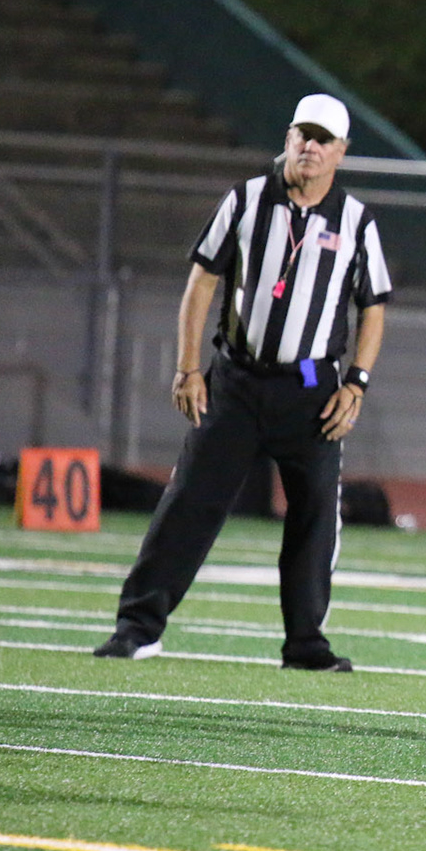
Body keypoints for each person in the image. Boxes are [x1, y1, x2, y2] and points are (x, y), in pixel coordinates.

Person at [95, 94, 391, 670]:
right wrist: (187, 368)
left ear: (341, 152)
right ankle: (138, 627)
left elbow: (373, 306)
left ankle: (306, 643)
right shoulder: (247, 199)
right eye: (303, 134)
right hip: (237, 378)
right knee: (189, 503)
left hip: (311, 390)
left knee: (314, 517)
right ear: (288, 137)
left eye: (323, 140)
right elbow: (202, 281)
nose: (310, 147)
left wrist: (355, 384)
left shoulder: (356, 220)